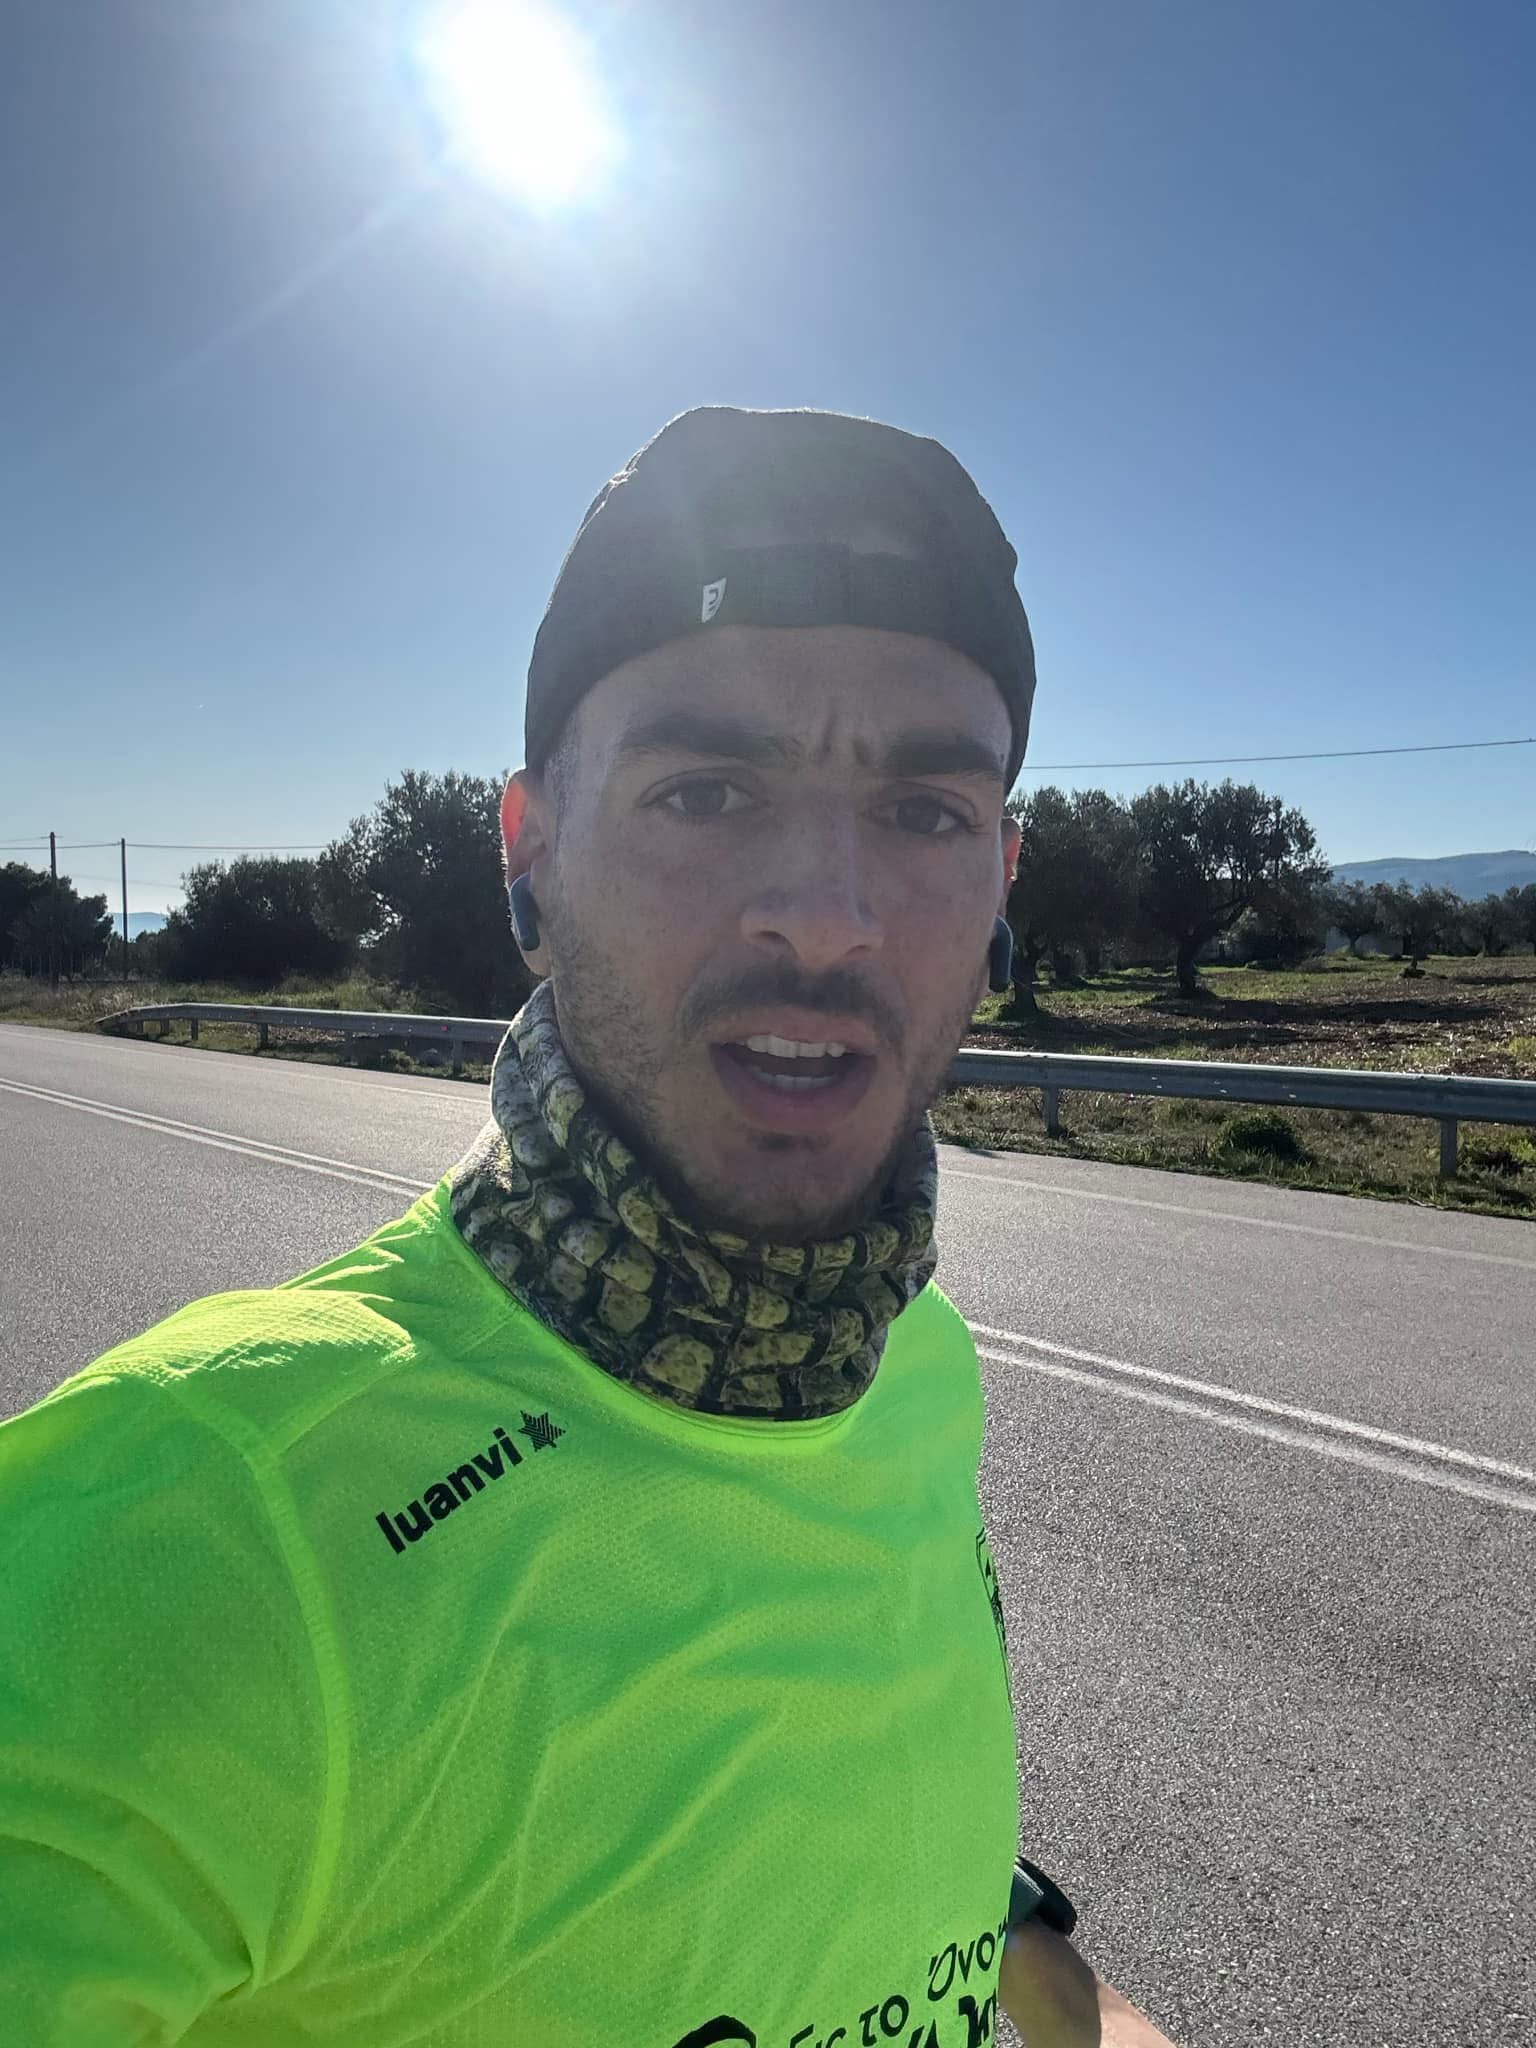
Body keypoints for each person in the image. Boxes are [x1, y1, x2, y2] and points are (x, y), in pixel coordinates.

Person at [0, 406, 1177, 2046]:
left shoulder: (914, 1365)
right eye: (707, 791)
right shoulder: (190, 1529)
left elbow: (903, 1879)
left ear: (1001, 882)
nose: (827, 917)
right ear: (532, 853)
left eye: (925, 813)